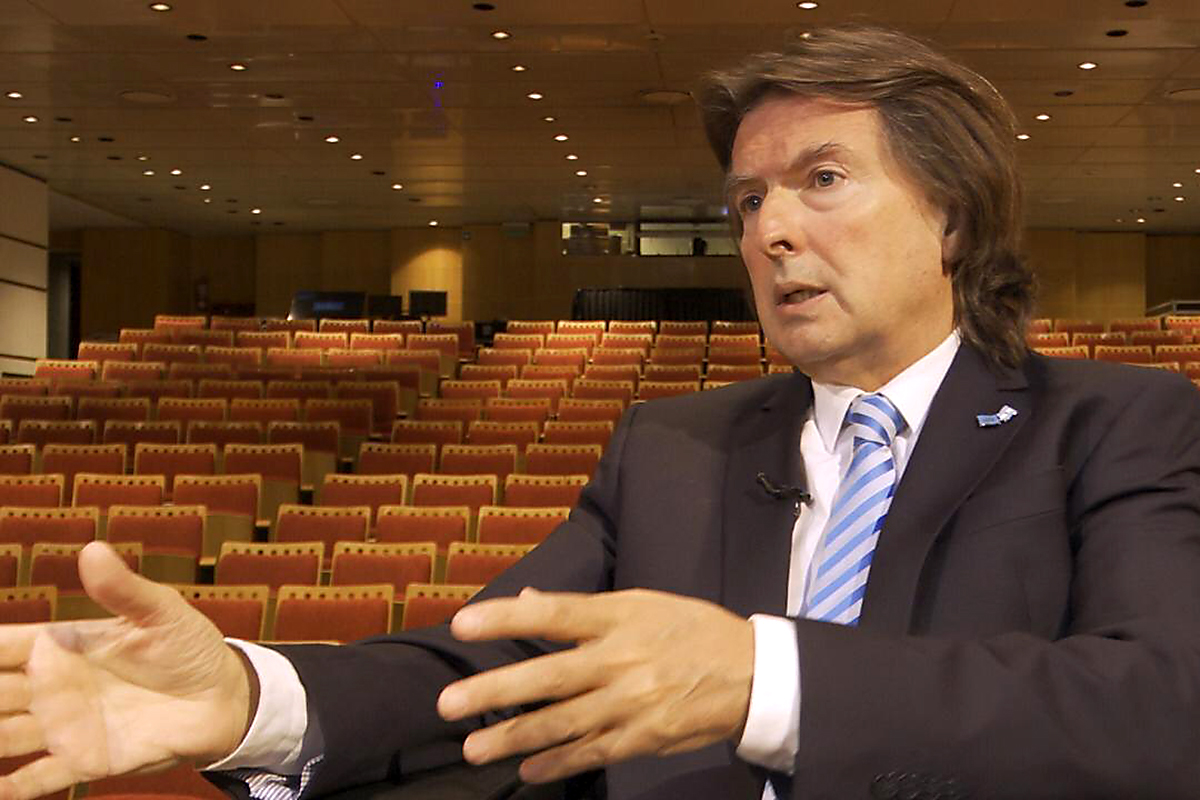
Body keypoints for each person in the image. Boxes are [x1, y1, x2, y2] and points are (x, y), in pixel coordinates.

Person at [2, 24, 1200, 800]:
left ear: (952, 217)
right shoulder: (673, 447)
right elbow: (489, 669)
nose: (772, 230)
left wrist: (765, 678)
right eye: (748, 201)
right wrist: (254, 699)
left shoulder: (1119, 423)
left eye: (823, 180)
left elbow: (1161, 710)